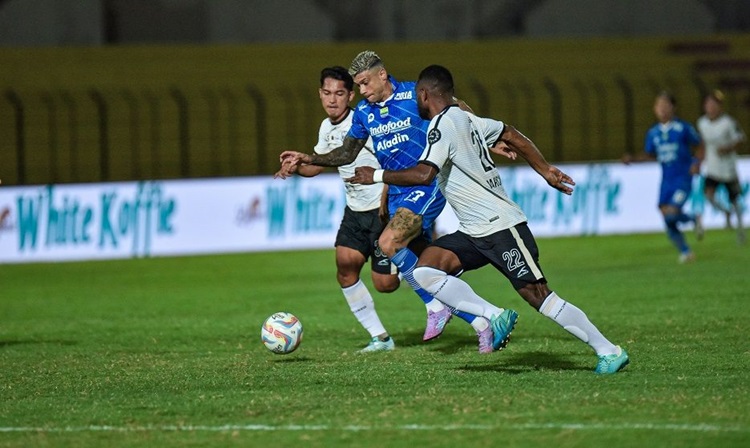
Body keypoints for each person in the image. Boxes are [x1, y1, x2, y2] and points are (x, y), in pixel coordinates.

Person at [347, 64, 629, 374]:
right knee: (427, 271)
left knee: (539, 297)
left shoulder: (442, 125)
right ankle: (491, 315)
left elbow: (424, 173)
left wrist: (375, 175)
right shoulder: (467, 119)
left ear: (424, 95)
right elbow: (510, 132)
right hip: (472, 230)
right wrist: (544, 169)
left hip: (501, 226)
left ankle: (609, 350)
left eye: (417, 97)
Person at [277, 51, 491, 352]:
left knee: (395, 269)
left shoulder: (414, 95)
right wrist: (306, 159)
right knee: (401, 272)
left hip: (417, 188)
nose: (360, 93)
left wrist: (491, 135)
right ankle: (480, 321)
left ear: (381, 75)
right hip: (368, 208)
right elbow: (346, 154)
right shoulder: (363, 114)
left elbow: (454, 108)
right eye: (356, 87)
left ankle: (440, 305)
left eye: (362, 85)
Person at [275, 66, 399, 352]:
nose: (333, 100)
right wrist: (296, 167)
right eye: (327, 93)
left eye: (339, 93)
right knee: (345, 269)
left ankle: (417, 251)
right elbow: (318, 165)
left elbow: (391, 158)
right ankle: (381, 338)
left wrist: (387, 192)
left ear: (350, 95)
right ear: (320, 94)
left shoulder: (363, 121)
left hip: (382, 209)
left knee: (386, 285)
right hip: (355, 211)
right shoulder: (325, 127)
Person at [625, 91, 704, 263]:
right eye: (658, 105)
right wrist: (633, 159)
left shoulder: (683, 128)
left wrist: (696, 163)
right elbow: (649, 154)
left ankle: (692, 218)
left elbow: (700, 145)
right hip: (666, 181)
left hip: (683, 178)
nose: (661, 109)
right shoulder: (653, 133)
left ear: (673, 107)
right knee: (667, 218)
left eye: (665, 105)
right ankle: (686, 251)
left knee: (671, 214)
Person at [696, 90, 746, 244]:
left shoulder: (728, 123)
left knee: (735, 200)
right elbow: (702, 144)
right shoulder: (702, 123)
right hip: (712, 167)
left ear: (720, 107)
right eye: (708, 104)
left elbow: (740, 139)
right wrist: (698, 161)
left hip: (728, 168)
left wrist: (727, 148)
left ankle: (740, 231)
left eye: (714, 104)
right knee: (708, 195)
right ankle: (725, 211)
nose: (711, 107)